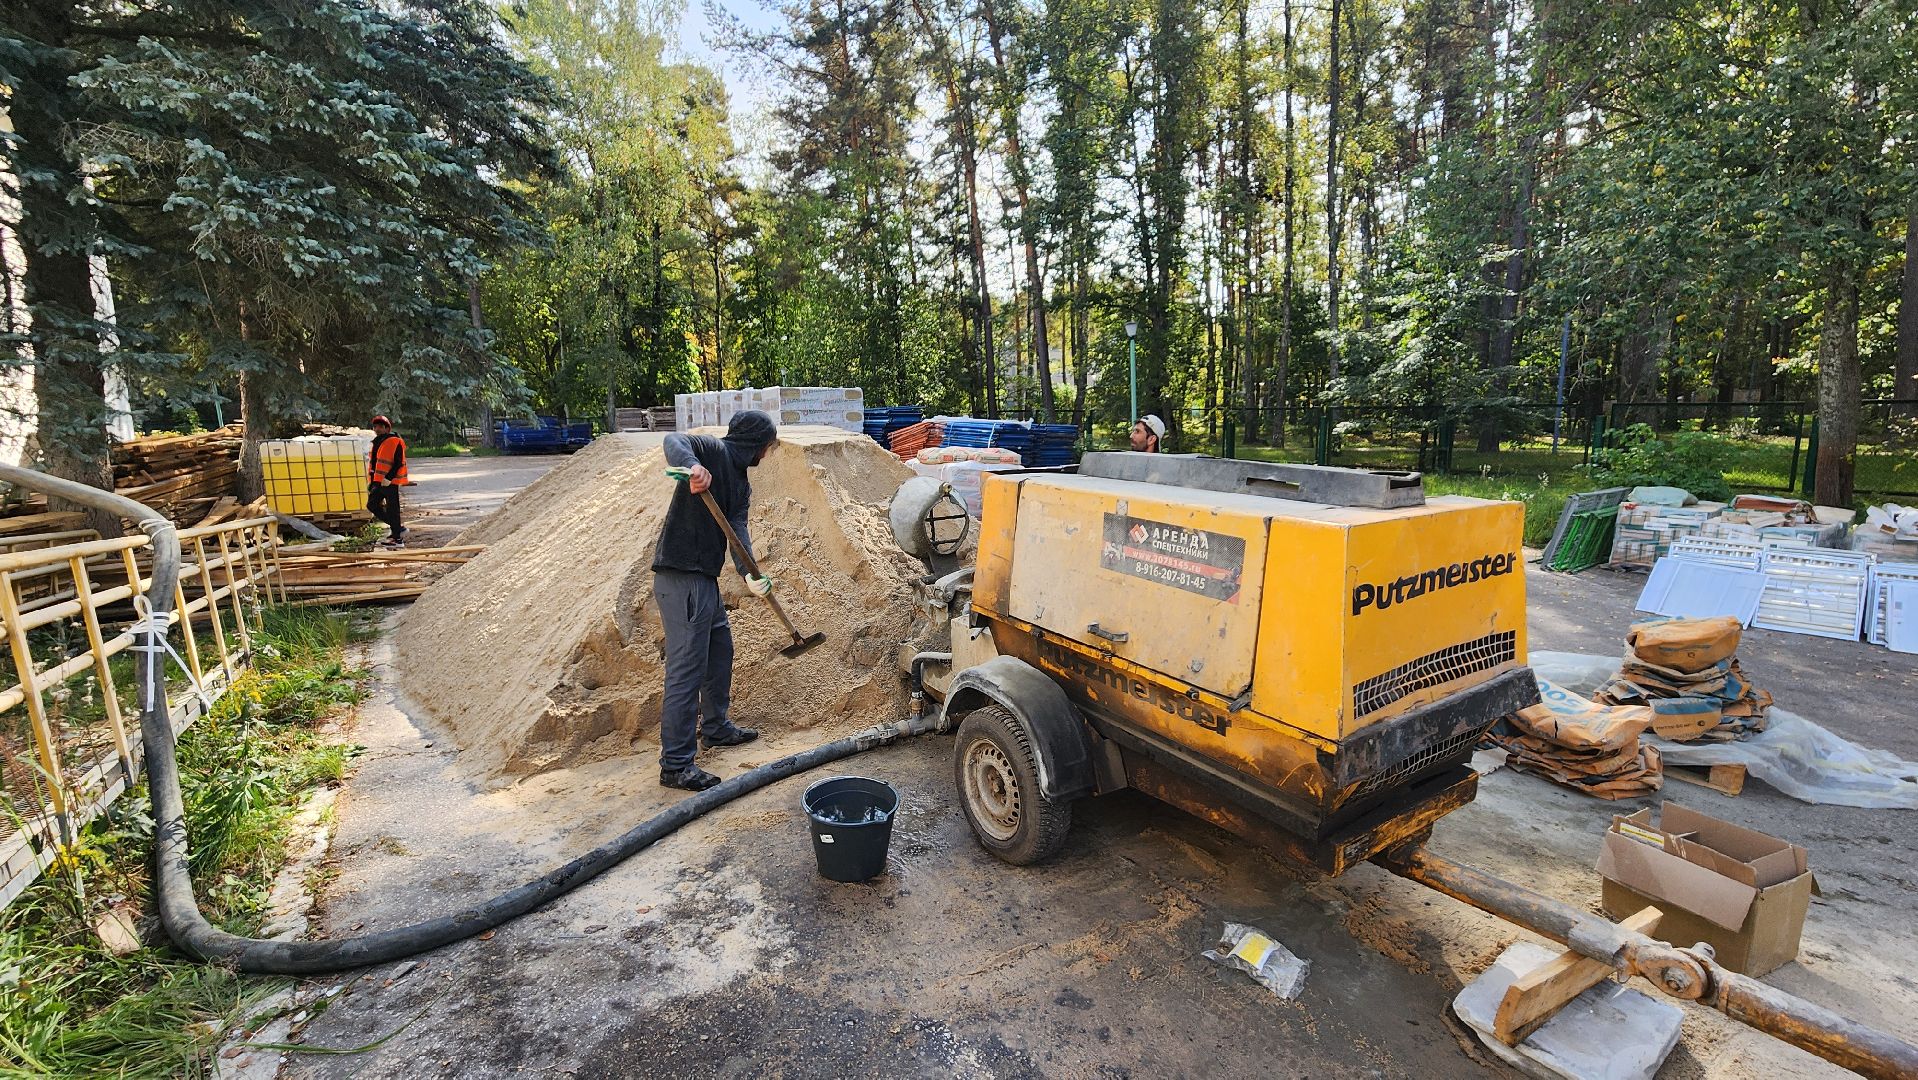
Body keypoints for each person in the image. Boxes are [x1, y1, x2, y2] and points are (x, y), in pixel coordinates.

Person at [653, 410, 779, 790]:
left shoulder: (740, 483)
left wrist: (750, 574)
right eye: (767, 446)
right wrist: (692, 467)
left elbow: (737, 528)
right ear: (754, 443)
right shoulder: (712, 451)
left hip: (704, 579)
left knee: (720, 650)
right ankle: (675, 764)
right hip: (680, 575)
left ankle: (716, 727)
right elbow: (673, 441)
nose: (768, 454)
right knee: (686, 669)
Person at [367, 415, 408, 547]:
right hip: (378, 481)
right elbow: (374, 464)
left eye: (380, 427)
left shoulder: (395, 441)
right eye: (375, 427)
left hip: (390, 482)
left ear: (386, 428)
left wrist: (389, 478)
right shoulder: (376, 442)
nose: (377, 429)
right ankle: (397, 528)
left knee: (392, 509)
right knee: (372, 505)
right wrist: (372, 482)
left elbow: (398, 462)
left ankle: (397, 539)